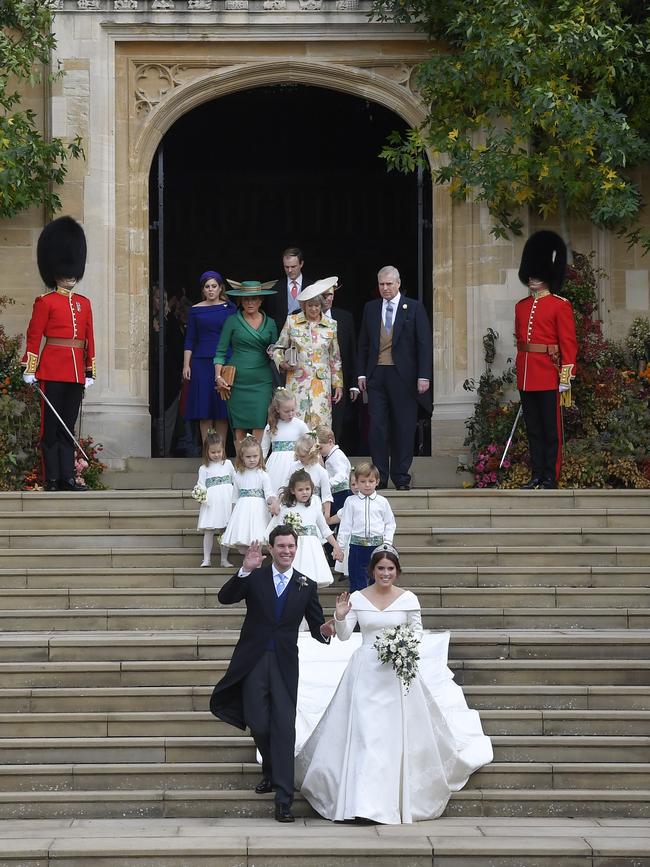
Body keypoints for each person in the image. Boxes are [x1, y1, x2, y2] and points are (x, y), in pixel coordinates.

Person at [294, 544, 493, 824]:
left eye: (390, 569)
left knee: (391, 737)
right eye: (380, 568)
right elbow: (343, 635)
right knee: (365, 735)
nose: (385, 573)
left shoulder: (409, 599)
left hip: (397, 674)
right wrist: (340, 615)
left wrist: (401, 648)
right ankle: (361, 804)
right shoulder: (358, 598)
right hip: (365, 674)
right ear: (372, 570)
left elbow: (416, 634)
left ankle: (389, 802)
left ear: (397, 572)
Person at [209, 527, 336, 823]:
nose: (287, 551)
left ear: (296, 548)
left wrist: (327, 629)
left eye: (291, 546)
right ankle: (270, 768)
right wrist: (244, 569)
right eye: (281, 546)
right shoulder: (255, 576)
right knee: (258, 722)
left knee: (283, 727)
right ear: (271, 548)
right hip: (253, 661)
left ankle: (283, 799)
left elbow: (318, 628)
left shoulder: (306, 585)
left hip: (284, 664)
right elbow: (224, 598)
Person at [21, 216, 96, 492]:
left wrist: (90, 371)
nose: (71, 275)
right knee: (50, 428)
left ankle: (67, 477)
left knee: (68, 427)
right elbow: (34, 335)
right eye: (66, 271)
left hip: (76, 372)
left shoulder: (84, 304)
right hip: (51, 368)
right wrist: (30, 367)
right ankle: (51, 478)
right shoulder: (45, 302)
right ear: (55, 271)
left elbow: (89, 340)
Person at [357, 265, 433, 490]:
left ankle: (401, 477)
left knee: (404, 426)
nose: (385, 288)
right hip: (377, 374)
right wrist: (361, 373)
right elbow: (363, 343)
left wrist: (424, 376)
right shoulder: (370, 308)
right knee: (378, 428)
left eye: (389, 284)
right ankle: (378, 477)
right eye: (381, 284)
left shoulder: (414, 308)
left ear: (398, 283)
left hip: (404, 377)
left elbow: (424, 344)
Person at [516, 231, 578, 490]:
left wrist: (566, 378)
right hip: (527, 376)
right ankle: (537, 474)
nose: (532, 277)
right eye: (530, 272)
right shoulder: (521, 306)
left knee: (551, 431)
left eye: (537, 273)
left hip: (549, 375)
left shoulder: (559, 305)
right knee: (534, 431)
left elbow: (568, 345)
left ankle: (550, 477)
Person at [272, 278, 343, 430]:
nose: (313, 309)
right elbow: (277, 348)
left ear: (322, 305)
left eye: (317, 305)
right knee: (296, 425)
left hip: (321, 385)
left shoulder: (331, 325)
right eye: (310, 305)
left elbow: (335, 357)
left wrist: (338, 384)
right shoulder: (292, 321)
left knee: (321, 427)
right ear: (303, 305)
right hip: (297, 383)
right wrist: (282, 363)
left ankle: (319, 454)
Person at [214, 280, 278, 443]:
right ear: (240, 301)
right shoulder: (232, 321)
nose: (250, 302)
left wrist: (275, 353)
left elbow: (278, 350)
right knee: (239, 427)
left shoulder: (270, 323)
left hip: (261, 380)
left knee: (259, 422)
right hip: (237, 381)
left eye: (254, 299)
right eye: (246, 299)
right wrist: (218, 377)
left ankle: (255, 465)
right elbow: (220, 352)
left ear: (261, 300)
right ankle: (241, 466)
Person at [182, 271, 237, 445]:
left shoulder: (230, 309)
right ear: (203, 290)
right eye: (207, 287)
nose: (211, 290)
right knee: (203, 410)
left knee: (222, 411)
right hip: (201, 363)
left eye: (214, 286)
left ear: (221, 288)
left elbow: (235, 337)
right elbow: (190, 339)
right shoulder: (195, 310)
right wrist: (186, 365)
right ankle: (207, 454)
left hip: (225, 360)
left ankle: (220, 453)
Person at [266, 469, 343, 587]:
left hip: (311, 549)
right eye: (300, 490)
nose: (305, 492)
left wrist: (336, 546)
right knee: (293, 580)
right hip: (294, 549)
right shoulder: (286, 508)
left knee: (311, 580)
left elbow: (325, 530)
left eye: (307, 489)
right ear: (292, 490)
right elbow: (277, 531)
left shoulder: (314, 508)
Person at [336, 461, 396, 592]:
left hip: (377, 547)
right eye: (363, 481)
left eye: (370, 481)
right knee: (357, 582)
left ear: (377, 482)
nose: (367, 485)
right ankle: (358, 608)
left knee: (377, 580)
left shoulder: (382, 502)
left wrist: (387, 543)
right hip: (357, 547)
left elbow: (390, 523)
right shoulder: (351, 502)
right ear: (356, 483)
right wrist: (339, 547)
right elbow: (345, 526)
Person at [221, 435, 280, 552]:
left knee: (256, 541)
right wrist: (232, 515)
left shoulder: (263, 474)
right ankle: (249, 563)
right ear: (242, 457)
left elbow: (269, 494)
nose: (252, 459)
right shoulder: (238, 475)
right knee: (241, 545)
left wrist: (273, 502)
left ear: (260, 456)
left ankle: (255, 567)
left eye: (255, 456)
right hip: (241, 511)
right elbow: (234, 498)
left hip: (258, 511)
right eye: (248, 457)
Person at [321, 283, 357, 447]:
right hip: (311, 380)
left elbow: (352, 351)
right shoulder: (297, 317)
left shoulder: (345, 317)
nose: (327, 298)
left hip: (338, 380)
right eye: (323, 295)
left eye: (330, 295)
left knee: (337, 424)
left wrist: (354, 383)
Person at [194, 431, 235, 568]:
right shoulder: (203, 468)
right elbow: (201, 484)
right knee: (209, 530)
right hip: (211, 502)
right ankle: (206, 558)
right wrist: (201, 494)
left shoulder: (228, 464)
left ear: (223, 450)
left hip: (226, 500)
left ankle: (224, 559)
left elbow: (235, 480)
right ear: (207, 452)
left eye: (219, 451)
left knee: (224, 529)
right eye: (213, 452)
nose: (217, 455)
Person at [261, 388, 309, 494]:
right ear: (277, 409)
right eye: (286, 411)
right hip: (275, 467)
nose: (291, 414)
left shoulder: (300, 425)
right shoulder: (271, 426)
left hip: (296, 463)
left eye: (293, 410)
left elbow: (311, 445)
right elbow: (263, 451)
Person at [264, 246, 308, 335]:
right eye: (286, 267)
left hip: (307, 337)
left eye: (293, 266)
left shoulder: (311, 287)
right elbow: (271, 317)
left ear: (301, 264)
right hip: (281, 338)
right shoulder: (275, 288)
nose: (290, 270)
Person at [289, 433, 333, 520]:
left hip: (314, 508)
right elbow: (287, 487)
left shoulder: (321, 472)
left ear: (312, 454)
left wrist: (326, 515)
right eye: (298, 455)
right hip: (296, 507)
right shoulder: (294, 467)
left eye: (303, 456)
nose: (300, 458)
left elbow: (326, 496)